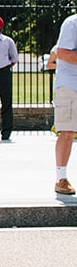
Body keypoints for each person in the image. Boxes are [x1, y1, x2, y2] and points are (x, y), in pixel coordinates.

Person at [54, 14, 77, 195]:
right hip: (70, 85)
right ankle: (61, 178)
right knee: (67, 132)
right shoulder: (72, 23)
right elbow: (62, 53)